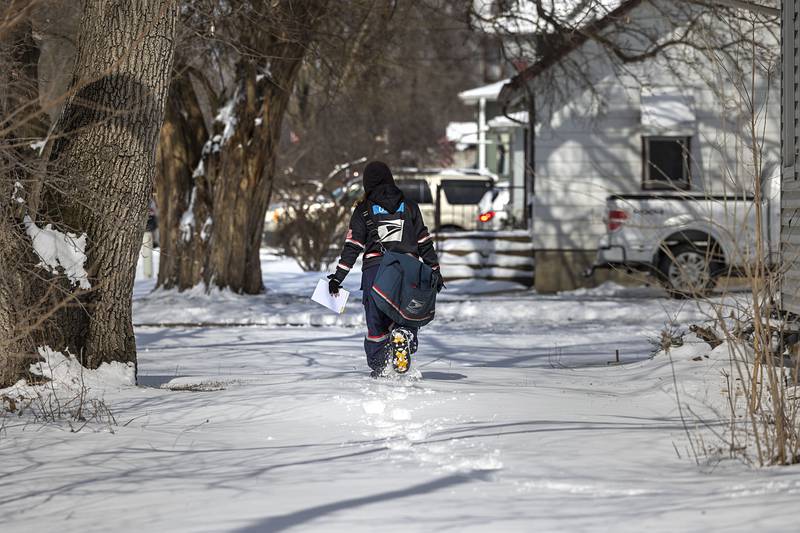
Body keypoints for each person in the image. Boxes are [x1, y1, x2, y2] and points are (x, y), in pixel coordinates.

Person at [328, 161, 444, 377]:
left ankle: (380, 365)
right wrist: (434, 270)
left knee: (376, 322)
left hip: (376, 272)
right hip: (408, 272)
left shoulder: (363, 210)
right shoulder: (409, 206)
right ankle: (404, 336)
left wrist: (338, 277)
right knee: (407, 315)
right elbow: (424, 241)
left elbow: (352, 247)